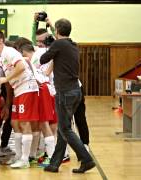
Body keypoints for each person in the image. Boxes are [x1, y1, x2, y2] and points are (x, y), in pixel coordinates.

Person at [40, 18, 95, 173]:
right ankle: (55, 163)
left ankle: (86, 159)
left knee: (65, 129)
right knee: (63, 129)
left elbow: (44, 59)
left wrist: (48, 45)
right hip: (76, 91)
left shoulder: (58, 45)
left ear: (57, 31)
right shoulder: (72, 44)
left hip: (64, 92)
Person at [0, 30, 39, 169]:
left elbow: (21, 67)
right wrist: (7, 104)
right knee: (14, 122)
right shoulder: (1, 57)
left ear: (1, 41)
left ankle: (25, 159)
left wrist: (6, 78)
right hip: (18, 91)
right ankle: (18, 156)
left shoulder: (9, 52)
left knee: (24, 123)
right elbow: (9, 84)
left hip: (27, 88)